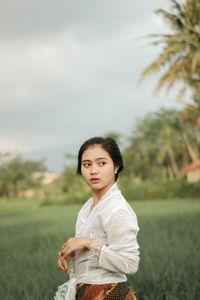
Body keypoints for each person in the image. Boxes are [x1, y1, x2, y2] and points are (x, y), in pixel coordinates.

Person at [54, 137, 140, 300]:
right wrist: (70, 251)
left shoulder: (116, 208)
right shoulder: (88, 206)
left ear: (116, 167)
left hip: (110, 294)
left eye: (102, 163)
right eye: (87, 164)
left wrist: (88, 243)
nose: (94, 170)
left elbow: (130, 263)